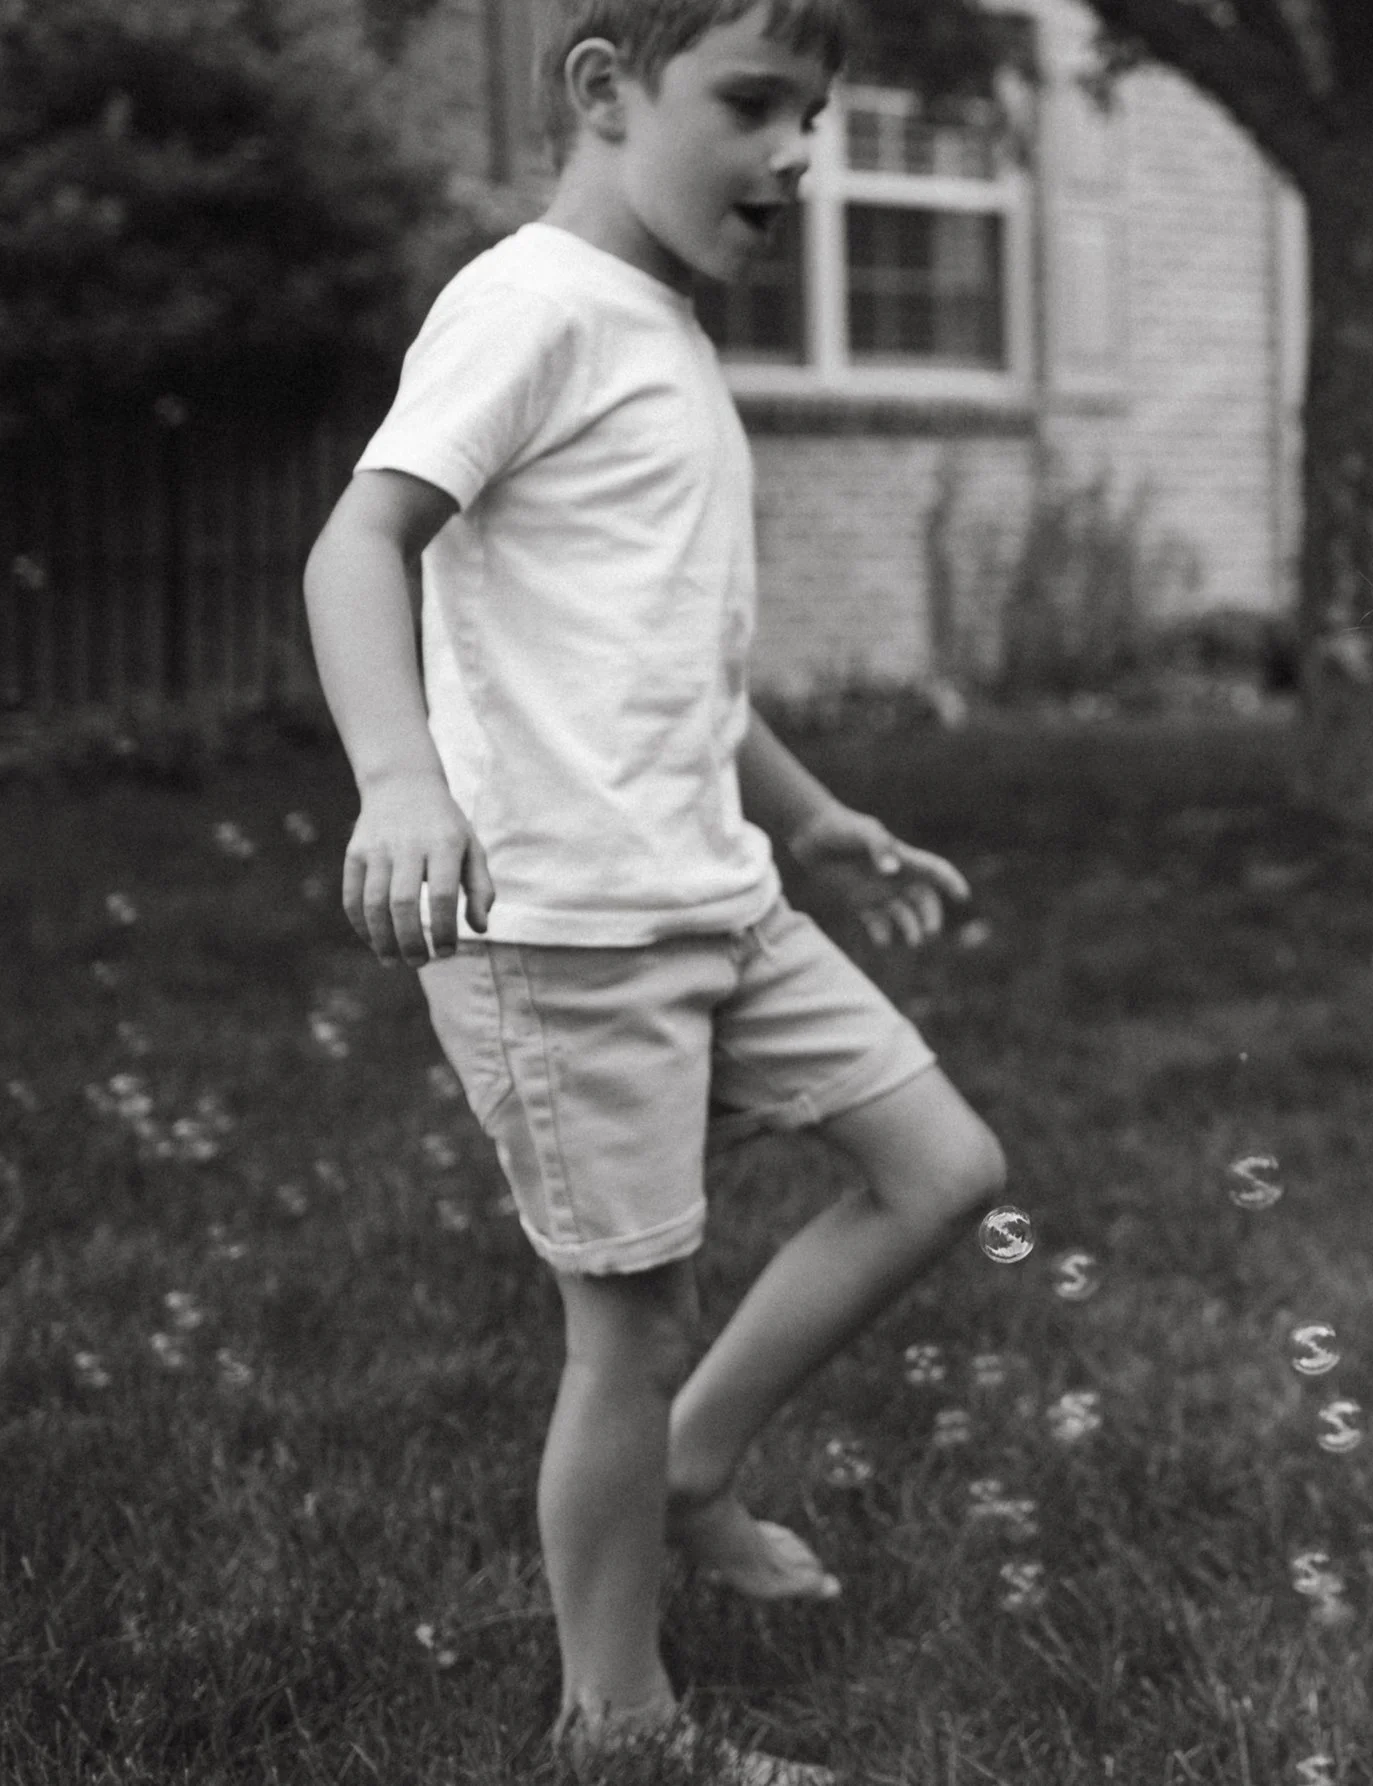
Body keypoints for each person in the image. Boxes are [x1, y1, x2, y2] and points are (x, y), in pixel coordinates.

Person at [301, 2, 1006, 1776]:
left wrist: (822, 818)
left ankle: (690, 1462)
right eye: (753, 102)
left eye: (815, 113)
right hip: (561, 925)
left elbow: (671, 664)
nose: (796, 151)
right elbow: (356, 540)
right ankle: (617, 1721)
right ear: (605, 91)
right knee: (628, 1314)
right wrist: (401, 777)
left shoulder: (663, 327)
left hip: (717, 887)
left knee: (940, 1169)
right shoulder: (531, 302)